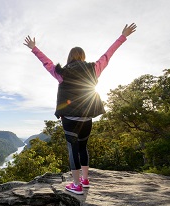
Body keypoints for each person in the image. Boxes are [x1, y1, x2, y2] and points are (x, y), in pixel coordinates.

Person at [24, 23, 137, 195]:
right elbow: (108, 55)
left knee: (73, 150)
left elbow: (47, 63)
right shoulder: (93, 69)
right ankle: (85, 180)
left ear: (70, 57)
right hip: (87, 118)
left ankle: (76, 185)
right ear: (83, 57)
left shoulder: (62, 72)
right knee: (83, 148)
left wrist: (34, 48)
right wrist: (123, 36)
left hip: (70, 120)